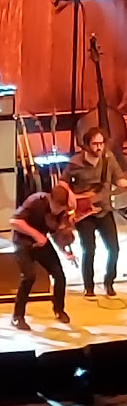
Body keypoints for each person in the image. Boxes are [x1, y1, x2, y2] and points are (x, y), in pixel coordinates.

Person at [60, 126, 127, 299]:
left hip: (104, 209)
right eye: (95, 144)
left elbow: (119, 178)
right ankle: (88, 287)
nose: (99, 147)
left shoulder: (108, 158)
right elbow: (62, 182)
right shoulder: (75, 163)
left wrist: (123, 183)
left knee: (114, 248)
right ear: (86, 145)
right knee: (89, 249)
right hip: (84, 213)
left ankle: (109, 282)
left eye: (101, 143)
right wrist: (71, 195)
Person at [10, 185, 74, 331]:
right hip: (23, 241)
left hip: (42, 242)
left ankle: (59, 309)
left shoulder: (61, 212)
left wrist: (65, 251)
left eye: (61, 208)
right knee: (29, 277)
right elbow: (14, 222)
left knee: (59, 274)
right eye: (56, 207)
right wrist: (36, 235)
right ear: (50, 199)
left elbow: (55, 232)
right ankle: (17, 316)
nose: (57, 211)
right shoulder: (36, 201)